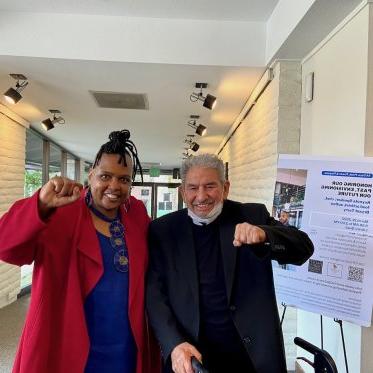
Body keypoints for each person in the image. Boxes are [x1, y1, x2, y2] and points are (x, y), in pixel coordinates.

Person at [0, 130, 160, 373]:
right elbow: (6, 247)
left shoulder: (136, 215)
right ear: (91, 174)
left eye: (124, 179)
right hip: (66, 342)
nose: (114, 186)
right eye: (105, 176)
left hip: (125, 346)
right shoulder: (61, 210)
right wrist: (40, 205)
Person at [146, 154, 314, 373]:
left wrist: (265, 234)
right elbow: (154, 295)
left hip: (249, 357)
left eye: (210, 186)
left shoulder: (251, 215)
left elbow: (303, 248)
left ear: (225, 188)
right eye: (193, 188)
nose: (201, 196)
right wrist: (173, 343)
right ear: (182, 192)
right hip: (191, 358)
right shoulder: (163, 230)